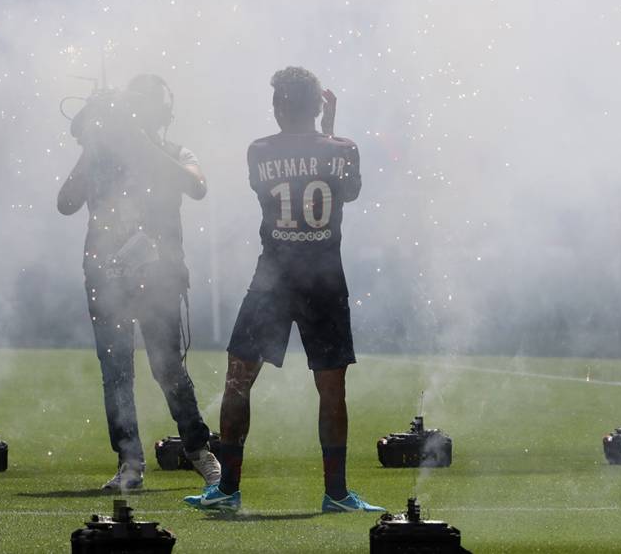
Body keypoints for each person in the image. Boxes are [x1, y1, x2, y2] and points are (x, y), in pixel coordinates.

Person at [185, 66, 383, 512]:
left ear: (277, 107)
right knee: (332, 389)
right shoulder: (344, 149)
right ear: (318, 106)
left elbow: (270, 186)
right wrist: (330, 132)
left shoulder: (259, 151)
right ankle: (336, 494)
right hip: (325, 280)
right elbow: (348, 192)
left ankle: (228, 489)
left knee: (238, 381)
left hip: (273, 279)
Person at [57, 73, 220, 490]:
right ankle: (129, 462)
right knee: (116, 371)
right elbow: (65, 202)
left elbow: (197, 186)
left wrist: (141, 144)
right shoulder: (102, 154)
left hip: (159, 275)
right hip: (106, 275)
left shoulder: (173, 151)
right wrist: (93, 147)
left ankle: (198, 448)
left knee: (168, 367)